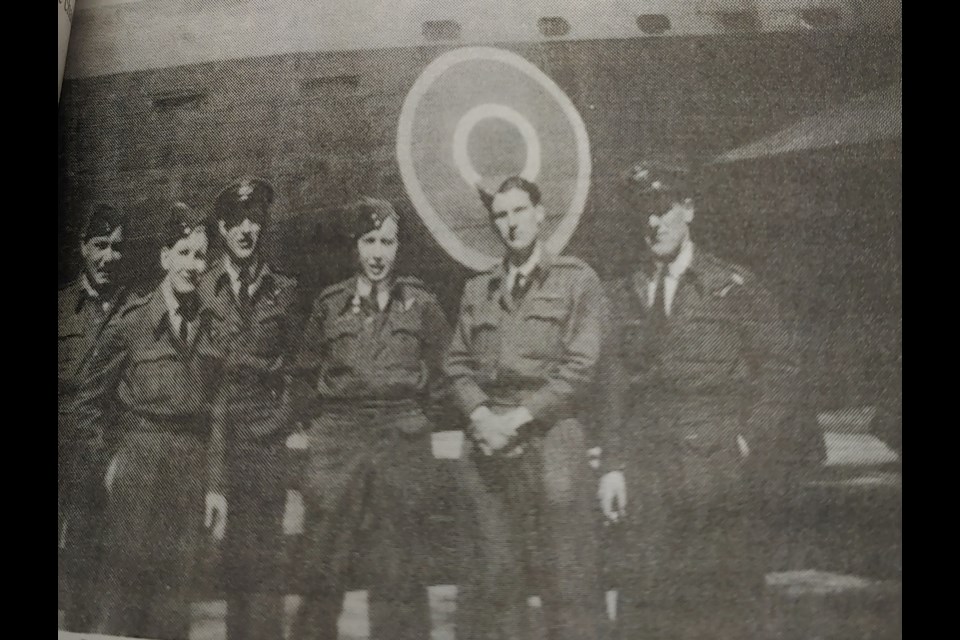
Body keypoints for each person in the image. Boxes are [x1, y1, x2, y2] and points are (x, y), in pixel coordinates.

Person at [597, 157, 804, 639]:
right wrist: (612, 465)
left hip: (717, 474)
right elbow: (612, 386)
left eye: (663, 207)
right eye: (642, 211)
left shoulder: (733, 288)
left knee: (723, 611)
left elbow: (782, 370)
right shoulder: (621, 295)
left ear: (688, 209)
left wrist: (748, 439)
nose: (653, 222)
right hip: (648, 477)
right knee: (646, 613)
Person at [444, 176, 606, 640]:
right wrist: (480, 416)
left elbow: (580, 367)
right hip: (489, 437)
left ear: (540, 213)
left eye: (519, 211)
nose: (511, 224)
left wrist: (516, 420)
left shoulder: (577, 281)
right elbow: (455, 363)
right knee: (492, 578)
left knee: (568, 580)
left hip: (551, 433)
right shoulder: (478, 291)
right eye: (501, 215)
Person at [290, 197, 451, 640]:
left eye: (387, 241)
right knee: (323, 565)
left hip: (401, 439)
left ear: (398, 247)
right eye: (369, 241)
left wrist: (417, 421)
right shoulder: (329, 306)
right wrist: (320, 435)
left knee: (399, 570)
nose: (378, 253)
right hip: (339, 441)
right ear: (354, 246)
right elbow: (303, 377)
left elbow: (444, 377)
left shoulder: (421, 304)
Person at [71, 202, 227, 640]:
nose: (193, 266)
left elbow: (217, 410)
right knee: (122, 602)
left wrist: (215, 484)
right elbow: (89, 401)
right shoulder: (131, 322)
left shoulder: (210, 326)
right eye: (184, 252)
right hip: (137, 467)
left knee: (174, 607)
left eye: (200, 255)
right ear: (164, 257)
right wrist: (108, 463)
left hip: (189, 472)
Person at [200, 177, 301, 640]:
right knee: (218, 571)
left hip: (264, 448)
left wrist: (280, 421)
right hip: (213, 442)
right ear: (221, 227)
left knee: (264, 571)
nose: (247, 229)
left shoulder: (284, 290)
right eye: (237, 220)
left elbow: (300, 368)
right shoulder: (202, 290)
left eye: (255, 220)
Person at [58, 202, 128, 631]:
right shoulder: (62, 305)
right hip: (63, 447)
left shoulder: (134, 307)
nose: (107, 258)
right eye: (99, 245)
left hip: (110, 450)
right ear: (83, 247)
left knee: (100, 570)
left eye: (116, 248)